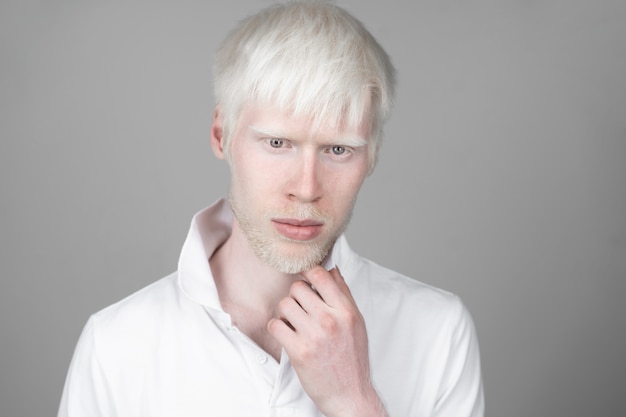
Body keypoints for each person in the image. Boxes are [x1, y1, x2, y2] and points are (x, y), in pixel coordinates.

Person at [58, 2, 484, 416]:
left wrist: (354, 403)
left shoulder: (437, 331)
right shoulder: (115, 345)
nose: (305, 189)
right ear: (221, 134)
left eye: (338, 149)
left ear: (371, 156)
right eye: (278, 144)